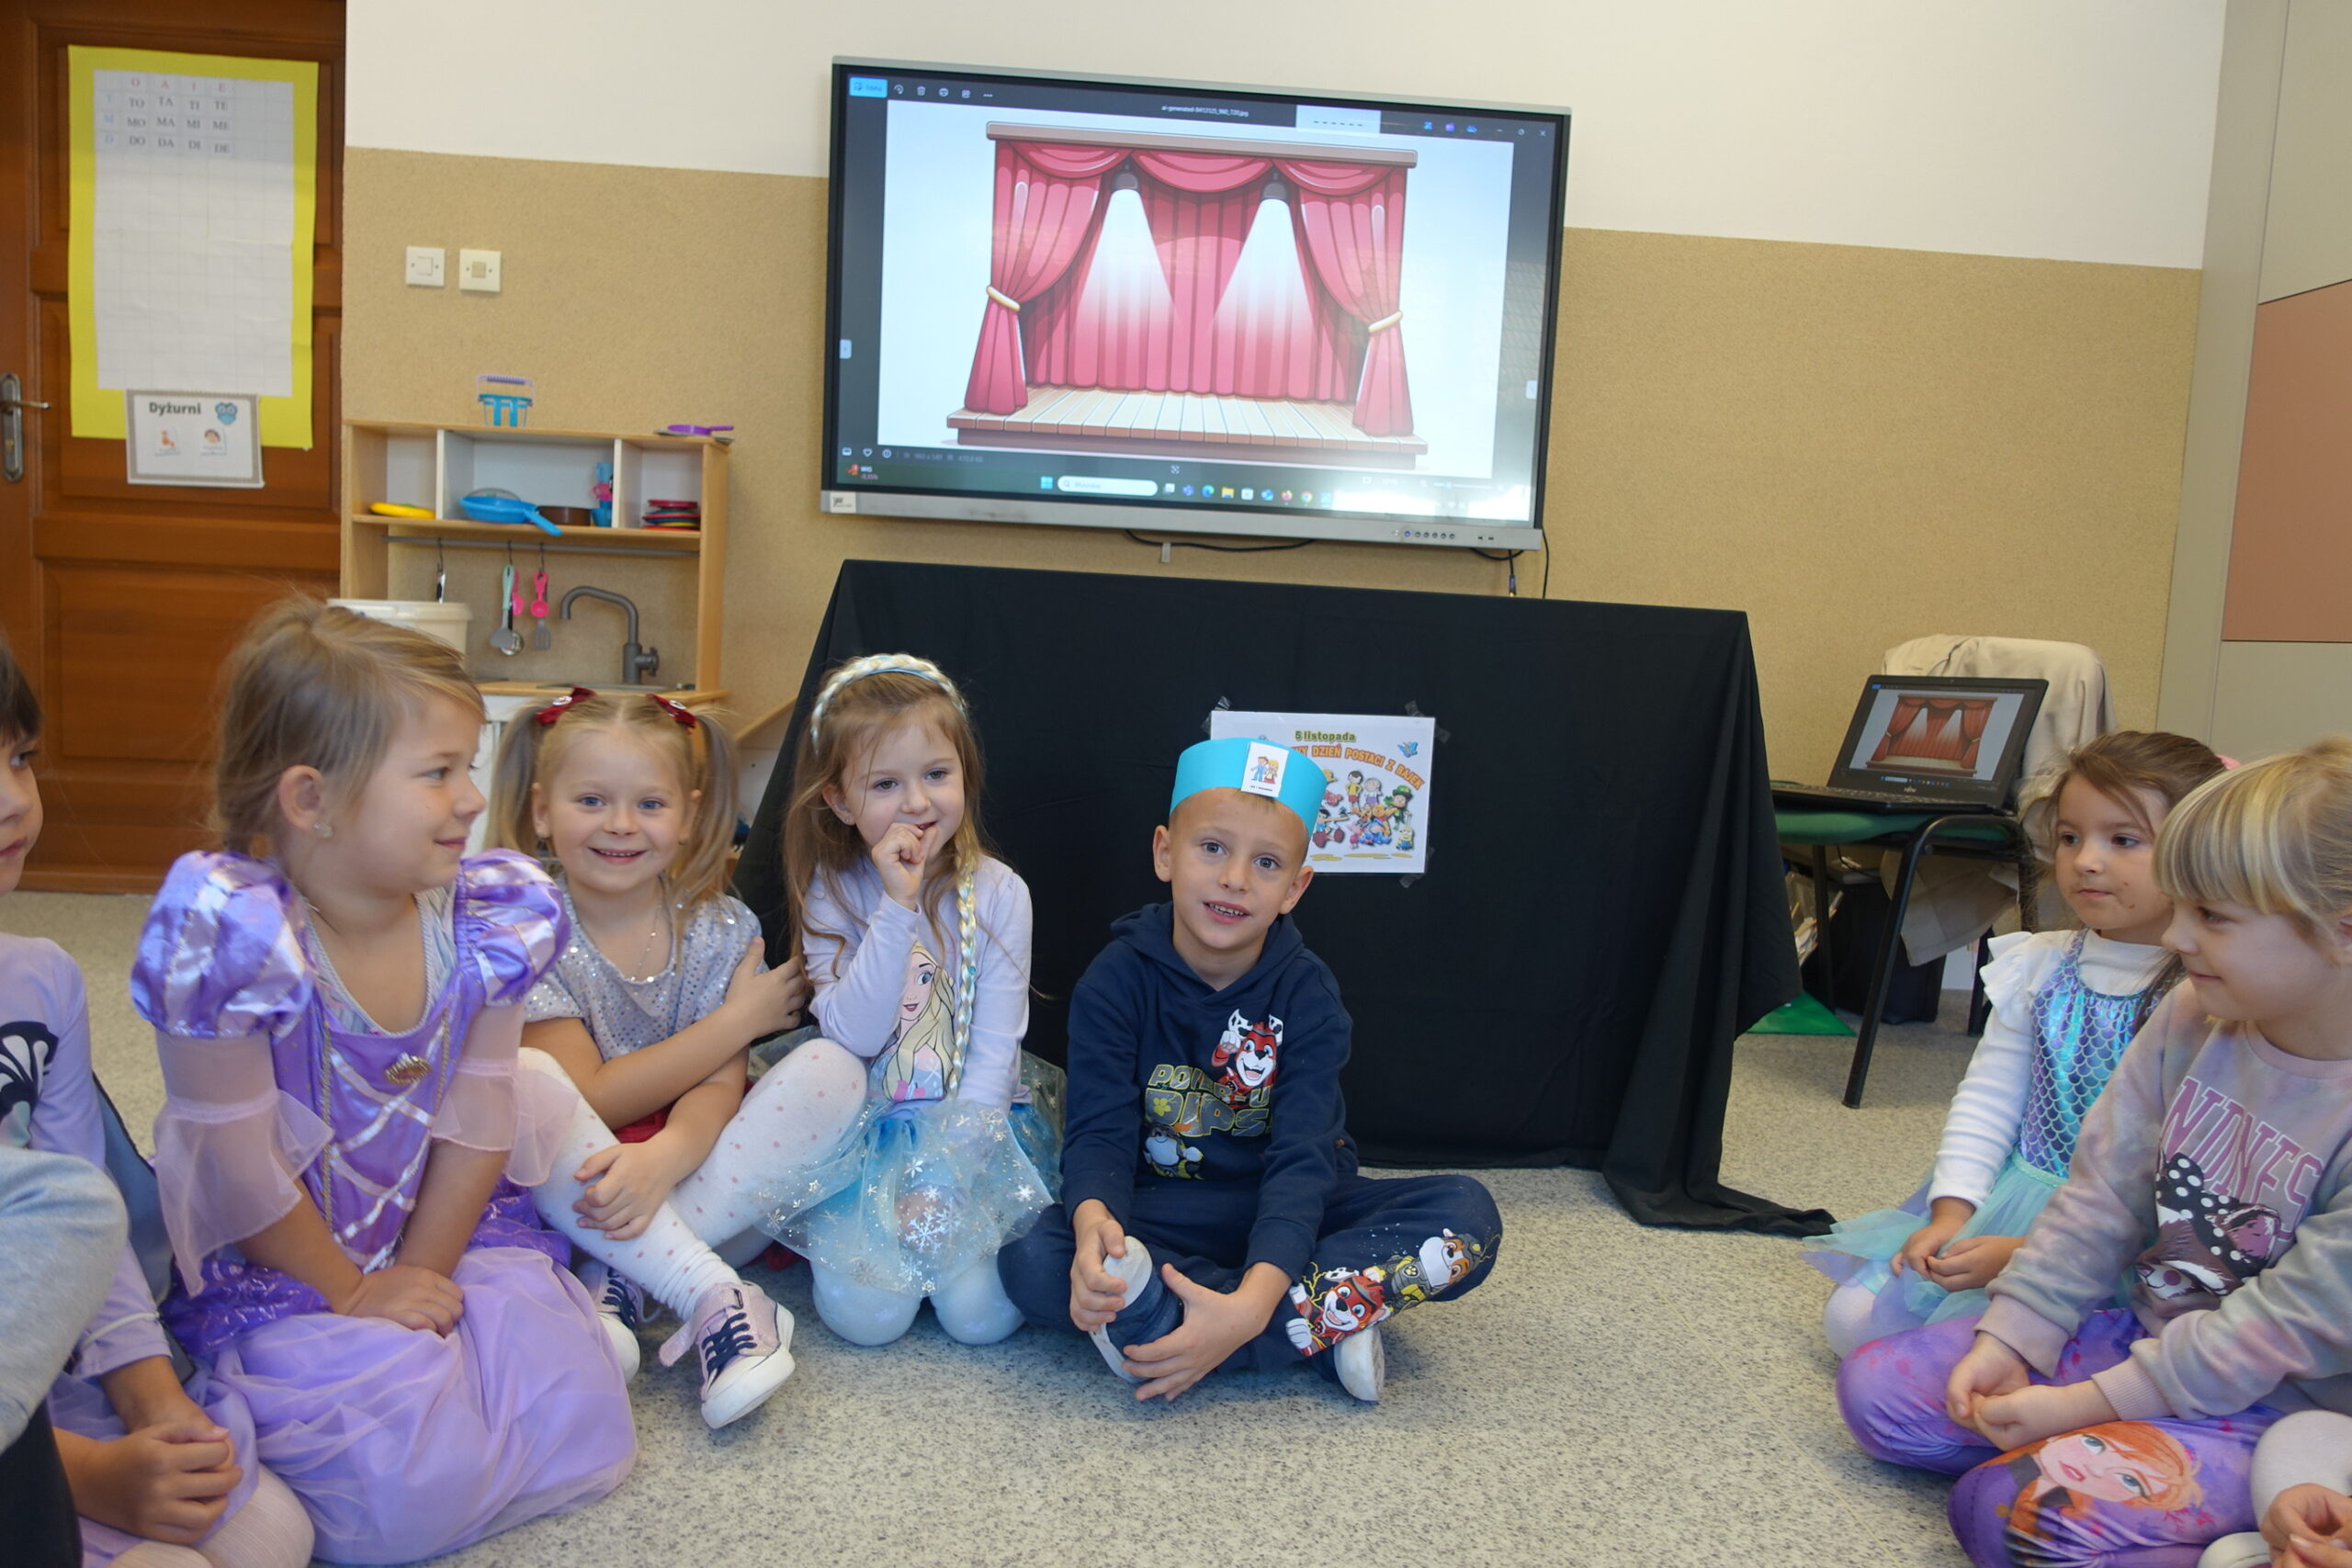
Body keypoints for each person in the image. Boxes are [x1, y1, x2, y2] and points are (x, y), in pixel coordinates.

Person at [127, 601, 634, 1563]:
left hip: (433, 1228)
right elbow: (238, 1167)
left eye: (468, 767)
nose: (471, 799)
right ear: (310, 799)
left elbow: (478, 1118)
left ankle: (462, 1375)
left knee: (573, 1392)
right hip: (290, 1264)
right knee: (398, 1483)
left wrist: (423, 1281)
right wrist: (356, 1293)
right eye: (437, 773)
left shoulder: (485, 920)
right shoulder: (233, 936)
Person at [1838, 739, 2352, 1567]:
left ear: (2342, 929)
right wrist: (2015, 1336)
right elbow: (2100, 1196)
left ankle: (2256, 1526)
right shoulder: (2194, 1013)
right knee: (1877, 1393)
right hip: (2149, 1336)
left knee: (2009, 1514)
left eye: (2213, 916)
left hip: (2284, 1406)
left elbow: (2279, 1328)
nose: (2176, 935)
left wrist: (2086, 1405)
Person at [995, 737, 1503, 1404]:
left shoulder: (1308, 994)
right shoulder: (1114, 981)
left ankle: (1197, 1326)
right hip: (1162, 1208)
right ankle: (1320, 1323)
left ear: (1295, 887)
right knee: (1030, 1261)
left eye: (1266, 862)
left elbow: (1303, 1161)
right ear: (1164, 853)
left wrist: (1252, 1305)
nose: (1235, 878)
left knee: (1466, 1218)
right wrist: (1095, 1231)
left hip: (1289, 1206)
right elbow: (1099, 1135)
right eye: (1212, 848)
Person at [1, 637, 312, 1568]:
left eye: (18, 757)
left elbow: (87, 1233)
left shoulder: (43, 979)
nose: (13, 799)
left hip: (42, 1361)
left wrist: (155, 1407)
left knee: (271, 1536)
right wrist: (88, 1476)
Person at [488, 687, 862, 1422]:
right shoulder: (527, 929)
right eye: (591, 800)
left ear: (688, 816)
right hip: (580, 1185)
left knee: (834, 1070)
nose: (621, 824)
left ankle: (622, 1278)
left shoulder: (723, 928)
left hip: (698, 1173)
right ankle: (705, 1287)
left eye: (650, 804)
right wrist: (739, 1020)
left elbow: (720, 1089)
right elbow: (589, 1094)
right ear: (541, 810)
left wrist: (666, 1157)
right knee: (530, 1086)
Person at [1812, 732, 2226, 1356]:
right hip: (2014, 1194)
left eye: (2123, 840)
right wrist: (1953, 1212)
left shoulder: (2207, 993)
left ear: (2198, 851)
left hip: (2126, 1232)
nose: (2086, 860)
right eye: (2070, 837)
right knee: (1852, 1323)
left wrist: (2030, 1253)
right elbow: (1989, 1098)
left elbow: (2187, 1173)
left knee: (2006, 1350)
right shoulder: (2039, 964)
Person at [757, 654, 1058, 1348]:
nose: (918, 803)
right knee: (869, 1320)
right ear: (840, 801)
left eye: (937, 774)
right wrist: (896, 906)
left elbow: (994, 1054)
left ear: (965, 775)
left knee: (980, 1319)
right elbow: (855, 1037)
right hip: (866, 1133)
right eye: (886, 783)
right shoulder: (833, 888)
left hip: (971, 1131)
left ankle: (942, 1265)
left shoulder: (1002, 893)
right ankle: (892, 1266)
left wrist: (946, 1182)